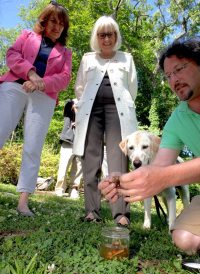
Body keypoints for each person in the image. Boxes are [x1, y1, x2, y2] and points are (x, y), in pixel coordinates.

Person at [99, 37, 200, 255]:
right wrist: (123, 181)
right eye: (168, 76)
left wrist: (167, 177)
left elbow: (166, 175)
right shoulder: (176, 120)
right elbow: (159, 167)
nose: (174, 80)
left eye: (179, 69)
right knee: (184, 239)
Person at [0, 2, 72, 216]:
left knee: (33, 146)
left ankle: (23, 202)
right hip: (15, 85)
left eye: (61, 24)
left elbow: (65, 78)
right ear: (44, 21)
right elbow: (12, 55)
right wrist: (31, 74)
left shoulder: (65, 52)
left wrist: (41, 83)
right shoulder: (26, 35)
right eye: (53, 21)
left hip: (44, 95)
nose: (57, 27)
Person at [73, 16, 138, 225]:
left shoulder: (126, 58)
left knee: (118, 159)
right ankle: (92, 211)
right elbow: (80, 88)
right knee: (90, 160)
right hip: (91, 112)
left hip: (118, 112)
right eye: (102, 35)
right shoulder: (87, 58)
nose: (107, 39)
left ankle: (120, 214)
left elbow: (132, 88)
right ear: (96, 37)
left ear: (116, 36)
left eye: (111, 34)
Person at [55, 99, 82, 198]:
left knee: (78, 167)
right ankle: (59, 189)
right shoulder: (69, 102)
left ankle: (74, 189)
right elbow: (73, 108)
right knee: (63, 166)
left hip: (82, 141)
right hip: (68, 140)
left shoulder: (89, 104)